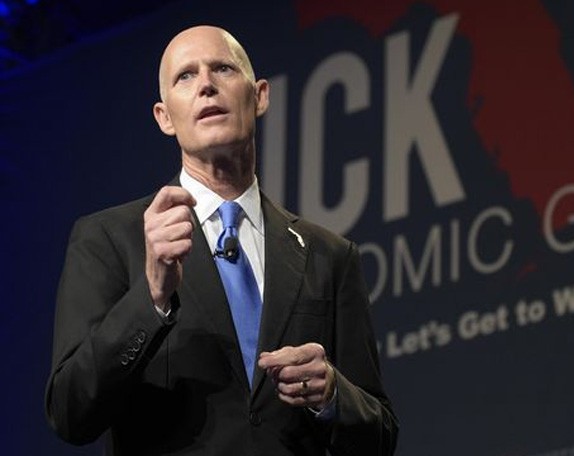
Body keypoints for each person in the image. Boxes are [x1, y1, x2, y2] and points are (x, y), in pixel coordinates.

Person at [45, 25, 398, 456]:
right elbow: (69, 411)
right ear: (165, 117)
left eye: (223, 69)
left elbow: (379, 437)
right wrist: (152, 297)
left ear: (260, 96)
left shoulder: (329, 255)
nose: (207, 85)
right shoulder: (110, 238)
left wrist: (331, 396)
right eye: (186, 77)